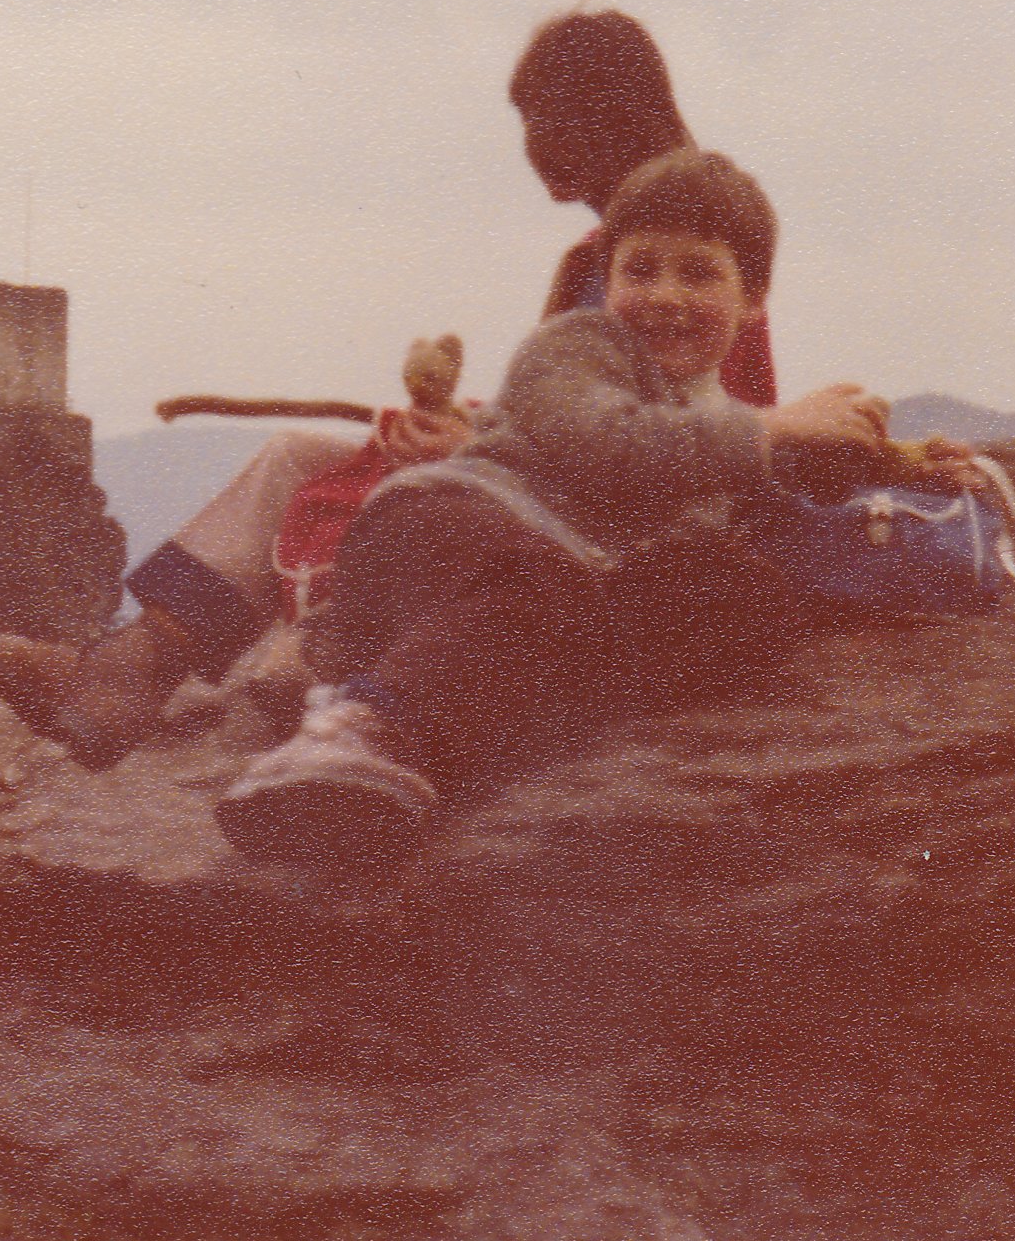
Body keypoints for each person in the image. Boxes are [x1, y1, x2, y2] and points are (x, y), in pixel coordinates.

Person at [0, 8, 776, 766]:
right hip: (548, 479)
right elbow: (563, 408)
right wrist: (471, 427)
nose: (532, 145)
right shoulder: (616, 255)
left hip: (593, 516)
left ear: (599, 113)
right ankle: (131, 666)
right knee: (294, 455)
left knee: (367, 487)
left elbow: (686, 435)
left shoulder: (691, 263)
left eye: (541, 117)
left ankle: (173, 672)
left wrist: (472, 444)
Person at [210, 148, 913, 873]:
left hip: (544, 598)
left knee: (737, 593)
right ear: (607, 282)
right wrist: (775, 428)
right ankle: (353, 730)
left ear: (753, 298)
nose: (665, 294)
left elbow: (757, 499)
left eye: (699, 272)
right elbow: (613, 445)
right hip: (443, 525)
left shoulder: (721, 423)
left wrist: (900, 463)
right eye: (640, 269)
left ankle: (389, 743)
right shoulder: (573, 351)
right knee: (540, 583)